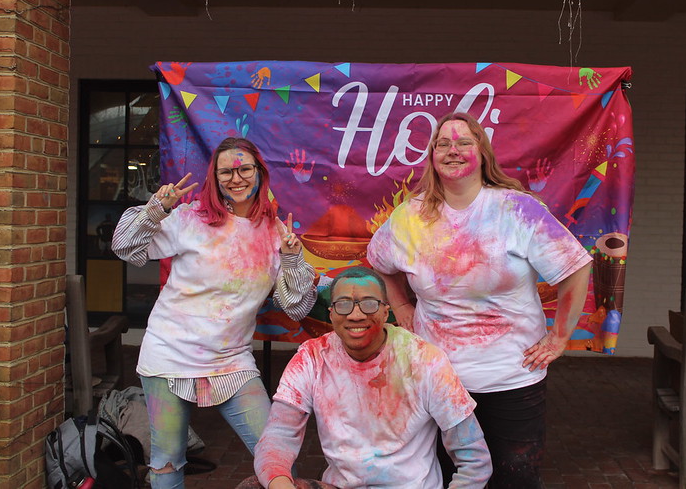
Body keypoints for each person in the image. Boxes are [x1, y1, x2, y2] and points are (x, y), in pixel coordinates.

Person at [366, 112, 592, 488]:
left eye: (463, 142)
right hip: (436, 380)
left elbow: (575, 267)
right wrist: (403, 307)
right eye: (443, 143)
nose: (452, 150)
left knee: (514, 479)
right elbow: (380, 263)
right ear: (432, 155)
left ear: (482, 153)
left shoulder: (516, 209)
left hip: (512, 379)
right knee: (445, 478)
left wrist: (559, 337)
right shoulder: (409, 217)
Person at [112, 137, 317, 489]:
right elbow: (125, 246)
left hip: (232, 362)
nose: (236, 178)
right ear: (215, 177)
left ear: (259, 173)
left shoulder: (274, 232)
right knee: (167, 463)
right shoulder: (191, 218)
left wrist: (292, 259)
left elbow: (296, 307)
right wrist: (156, 208)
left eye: (244, 169)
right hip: (168, 357)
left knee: (277, 458)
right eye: (226, 171)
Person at [251, 266, 492, 489]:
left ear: (387, 311)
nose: (356, 316)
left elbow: (474, 458)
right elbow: (278, 438)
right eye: (344, 304)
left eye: (369, 304)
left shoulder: (424, 360)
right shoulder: (312, 358)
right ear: (331, 313)